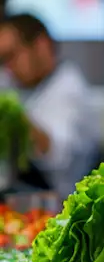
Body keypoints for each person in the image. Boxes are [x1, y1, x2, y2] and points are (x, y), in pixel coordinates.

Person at [0, 13, 97, 199]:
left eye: (11, 56)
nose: (8, 68)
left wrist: (15, 116)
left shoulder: (69, 89)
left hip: (58, 205)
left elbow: (55, 154)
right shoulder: (17, 84)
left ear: (41, 46)